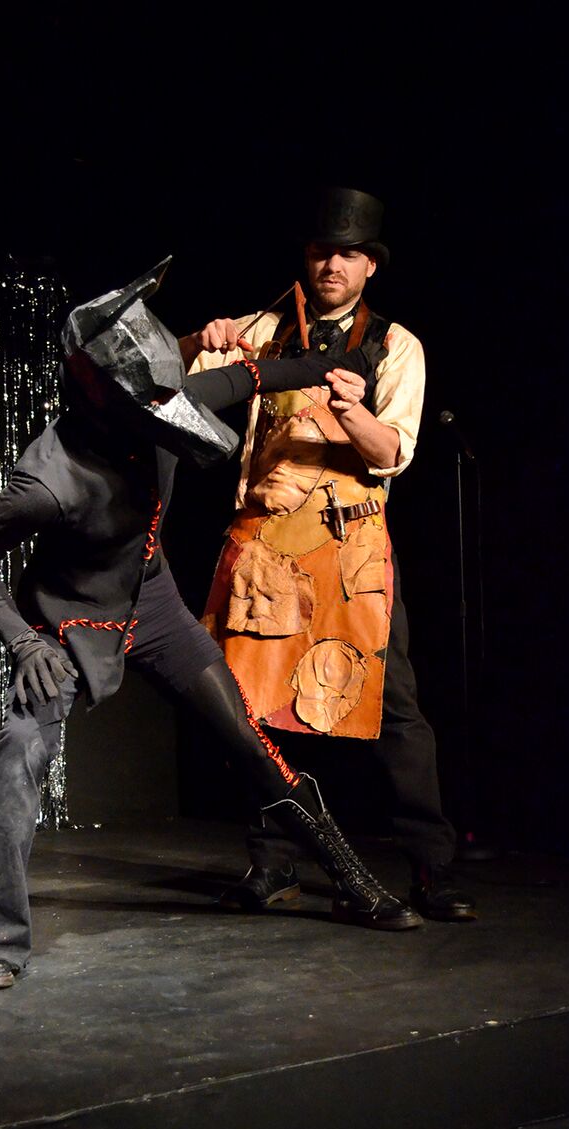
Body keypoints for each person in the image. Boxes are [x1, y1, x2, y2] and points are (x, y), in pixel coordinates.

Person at [0, 260, 424, 992]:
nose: (175, 411)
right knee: (18, 756)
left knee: (250, 742)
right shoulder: (47, 480)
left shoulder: (164, 406)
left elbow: (260, 375)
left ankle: (354, 880)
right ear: (105, 401)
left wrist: (342, 366)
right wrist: (23, 638)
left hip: (156, 604)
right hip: (70, 623)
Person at [183, 188, 476, 923]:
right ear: (306, 259)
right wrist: (199, 339)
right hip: (268, 545)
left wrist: (351, 410)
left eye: (349, 254)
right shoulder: (267, 328)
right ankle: (272, 863)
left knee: (395, 709)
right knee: (257, 711)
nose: (332, 266)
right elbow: (177, 378)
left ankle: (431, 870)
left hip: (351, 547)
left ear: (371, 266)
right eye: (321, 252)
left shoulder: (395, 345)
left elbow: (392, 452)